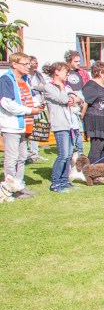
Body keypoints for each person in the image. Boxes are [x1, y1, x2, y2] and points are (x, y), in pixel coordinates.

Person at [0, 52, 45, 199]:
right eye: (25, 64)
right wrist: (29, 110)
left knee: (22, 157)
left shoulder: (25, 80)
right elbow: (7, 103)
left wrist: (38, 105)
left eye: (29, 64)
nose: (28, 67)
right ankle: (9, 189)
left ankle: (19, 186)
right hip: (12, 125)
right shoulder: (6, 80)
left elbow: (29, 97)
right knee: (12, 159)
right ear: (14, 64)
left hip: (25, 125)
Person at [43, 61, 83, 192]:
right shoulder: (49, 87)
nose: (67, 75)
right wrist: (61, 88)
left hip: (71, 124)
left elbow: (79, 98)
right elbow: (63, 99)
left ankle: (65, 180)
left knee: (69, 155)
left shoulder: (67, 86)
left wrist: (75, 99)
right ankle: (55, 183)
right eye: (65, 72)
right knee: (63, 155)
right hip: (60, 125)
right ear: (57, 72)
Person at [81, 61, 104, 165]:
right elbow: (85, 103)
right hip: (98, 123)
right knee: (97, 148)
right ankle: (92, 170)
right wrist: (81, 116)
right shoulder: (91, 86)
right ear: (100, 73)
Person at [64, 50, 89, 155]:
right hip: (69, 103)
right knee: (72, 129)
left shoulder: (82, 73)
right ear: (69, 61)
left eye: (79, 61)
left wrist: (83, 104)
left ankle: (80, 152)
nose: (78, 63)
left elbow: (87, 88)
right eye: (75, 61)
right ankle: (70, 150)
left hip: (80, 102)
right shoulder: (64, 72)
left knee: (79, 129)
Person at [27, 55, 48, 162]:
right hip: (29, 105)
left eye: (37, 62)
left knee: (37, 128)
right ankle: (26, 153)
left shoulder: (38, 75)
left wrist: (34, 87)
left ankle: (34, 152)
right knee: (28, 128)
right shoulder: (25, 75)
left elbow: (44, 87)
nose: (36, 64)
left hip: (39, 103)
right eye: (34, 62)